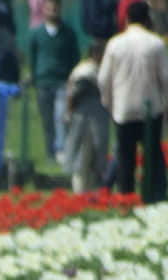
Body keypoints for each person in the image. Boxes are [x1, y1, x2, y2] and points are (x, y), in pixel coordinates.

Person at [98, 1, 168, 199]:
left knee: (125, 156)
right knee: (152, 155)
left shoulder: (115, 43)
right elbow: (166, 78)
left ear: (126, 19)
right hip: (151, 109)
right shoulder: (156, 43)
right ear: (147, 19)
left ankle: (127, 197)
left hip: (123, 109)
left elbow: (103, 78)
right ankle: (154, 195)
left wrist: (108, 102)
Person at [28, 0, 82, 157]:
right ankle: (50, 152)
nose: (53, 12)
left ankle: (61, 150)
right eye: (49, 9)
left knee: (61, 117)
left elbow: (75, 57)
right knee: (47, 121)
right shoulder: (36, 34)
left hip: (62, 81)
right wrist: (35, 75)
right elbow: (32, 57)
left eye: (55, 9)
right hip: (43, 81)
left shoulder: (68, 33)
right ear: (44, 10)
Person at [63, 43, 115, 190]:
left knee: (95, 155)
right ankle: (80, 189)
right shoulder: (86, 71)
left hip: (95, 116)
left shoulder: (94, 69)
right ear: (97, 55)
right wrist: (69, 111)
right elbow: (74, 94)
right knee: (82, 155)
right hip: (85, 117)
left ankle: (93, 187)